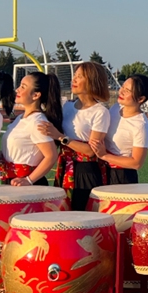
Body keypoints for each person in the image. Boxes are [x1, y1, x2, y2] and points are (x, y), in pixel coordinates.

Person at [39, 61, 111, 210]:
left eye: (80, 76)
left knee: (82, 213)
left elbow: (91, 151)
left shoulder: (100, 112)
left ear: (92, 81)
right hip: (65, 165)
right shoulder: (67, 106)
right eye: (75, 76)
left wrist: (61, 137)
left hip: (86, 170)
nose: (74, 80)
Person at [0, 71, 61, 186]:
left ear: (36, 95)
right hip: (10, 180)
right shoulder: (20, 118)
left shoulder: (37, 122)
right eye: (19, 85)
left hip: (27, 185)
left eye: (23, 87)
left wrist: (29, 180)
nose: (17, 90)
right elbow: (11, 152)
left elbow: (51, 156)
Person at [100, 75, 148, 185]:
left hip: (121, 176)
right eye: (122, 87)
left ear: (140, 99)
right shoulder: (115, 108)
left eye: (127, 90)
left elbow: (137, 163)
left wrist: (104, 156)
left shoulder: (140, 124)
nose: (121, 92)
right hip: (102, 169)